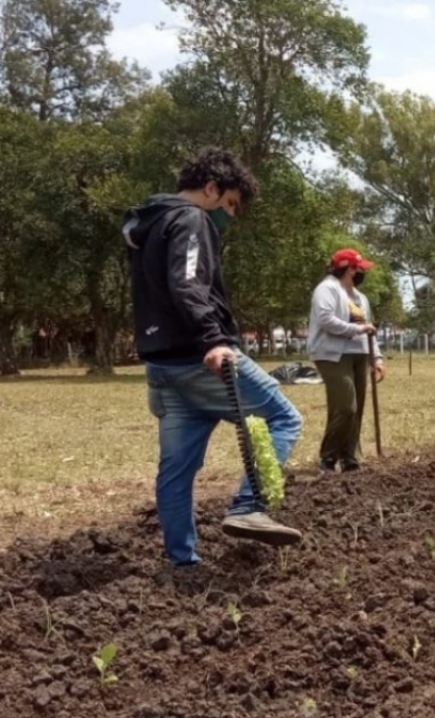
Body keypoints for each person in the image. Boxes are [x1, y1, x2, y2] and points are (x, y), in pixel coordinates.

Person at [125, 147, 303, 566]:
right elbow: (188, 284)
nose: (231, 216)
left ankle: (181, 562)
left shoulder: (150, 226)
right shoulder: (191, 219)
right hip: (200, 358)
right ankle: (248, 506)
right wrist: (213, 340)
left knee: (176, 471)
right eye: (230, 204)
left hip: (162, 366)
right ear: (211, 188)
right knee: (283, 417)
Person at [307, 248, 386, 473]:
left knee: (357, 408)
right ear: (348, 269)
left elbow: (370, 331)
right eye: (360, 268)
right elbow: (326, 320)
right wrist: (358, 328)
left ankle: (350, 458)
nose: (362, 273)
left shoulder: (360, 298)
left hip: (359, 354)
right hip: (332, 354)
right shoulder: (327, 289)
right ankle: (328, 457)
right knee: (345, 407)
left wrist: (377, 358)